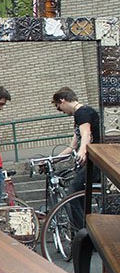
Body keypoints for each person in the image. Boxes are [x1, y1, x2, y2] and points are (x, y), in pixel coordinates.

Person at [52, 87, 100, 229]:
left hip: (94, 162)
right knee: (80, 199)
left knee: (72, 195)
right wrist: (53, 159)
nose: (62, 111)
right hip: (91, 161)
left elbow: (86, 135)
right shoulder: (79, 115)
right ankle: (86, 231)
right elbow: (73, 146)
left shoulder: (82, 112)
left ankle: (84, 234)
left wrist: (83, 151)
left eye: (59, 107)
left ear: (62, 100)